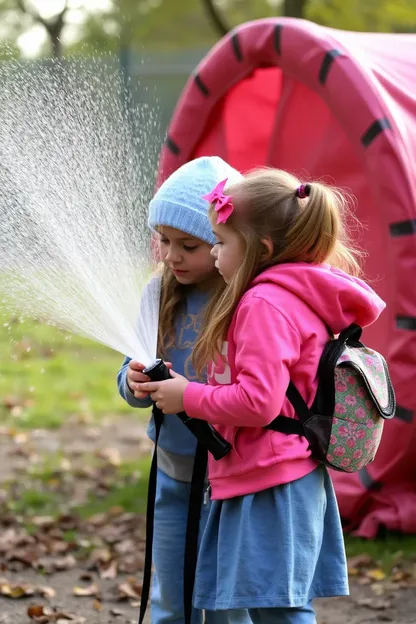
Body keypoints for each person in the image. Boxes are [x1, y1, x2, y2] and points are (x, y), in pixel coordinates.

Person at [138, 168, 387, 624]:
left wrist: (187, 396)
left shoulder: (262, 305)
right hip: (282, 474)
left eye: (219, 242)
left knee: (277, 610)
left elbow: (259, 403)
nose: (214, 253)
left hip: (271, 482)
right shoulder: (292, 293)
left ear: (261, 249)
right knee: (272, 606)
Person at [117, 156, 248, 624]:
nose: (172, 255)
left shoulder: (247, 300)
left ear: (224, 240)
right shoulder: (158, 293)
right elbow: (128, 368)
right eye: (165, 241)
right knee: (170, 601)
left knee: (231, 609)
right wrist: (132, 382)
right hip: (173, 474)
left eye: (189, 245)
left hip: (236, 485)